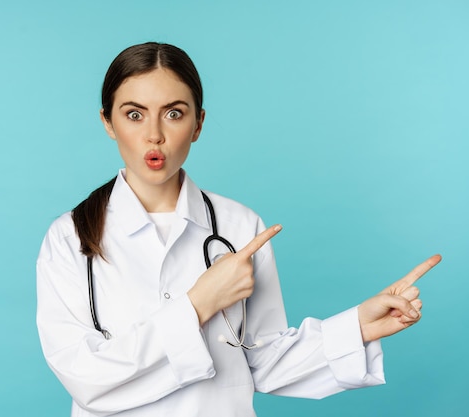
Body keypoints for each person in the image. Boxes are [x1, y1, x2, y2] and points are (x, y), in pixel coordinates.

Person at [36, 42, 441, 417]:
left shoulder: (239, 227)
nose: (154, 134)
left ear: (198, 124)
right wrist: (200, 303)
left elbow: (265, 361)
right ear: (108, 122)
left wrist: (359, 326)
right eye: (134, 114)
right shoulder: (69, 238)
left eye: (174, 113)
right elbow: (84, 377)